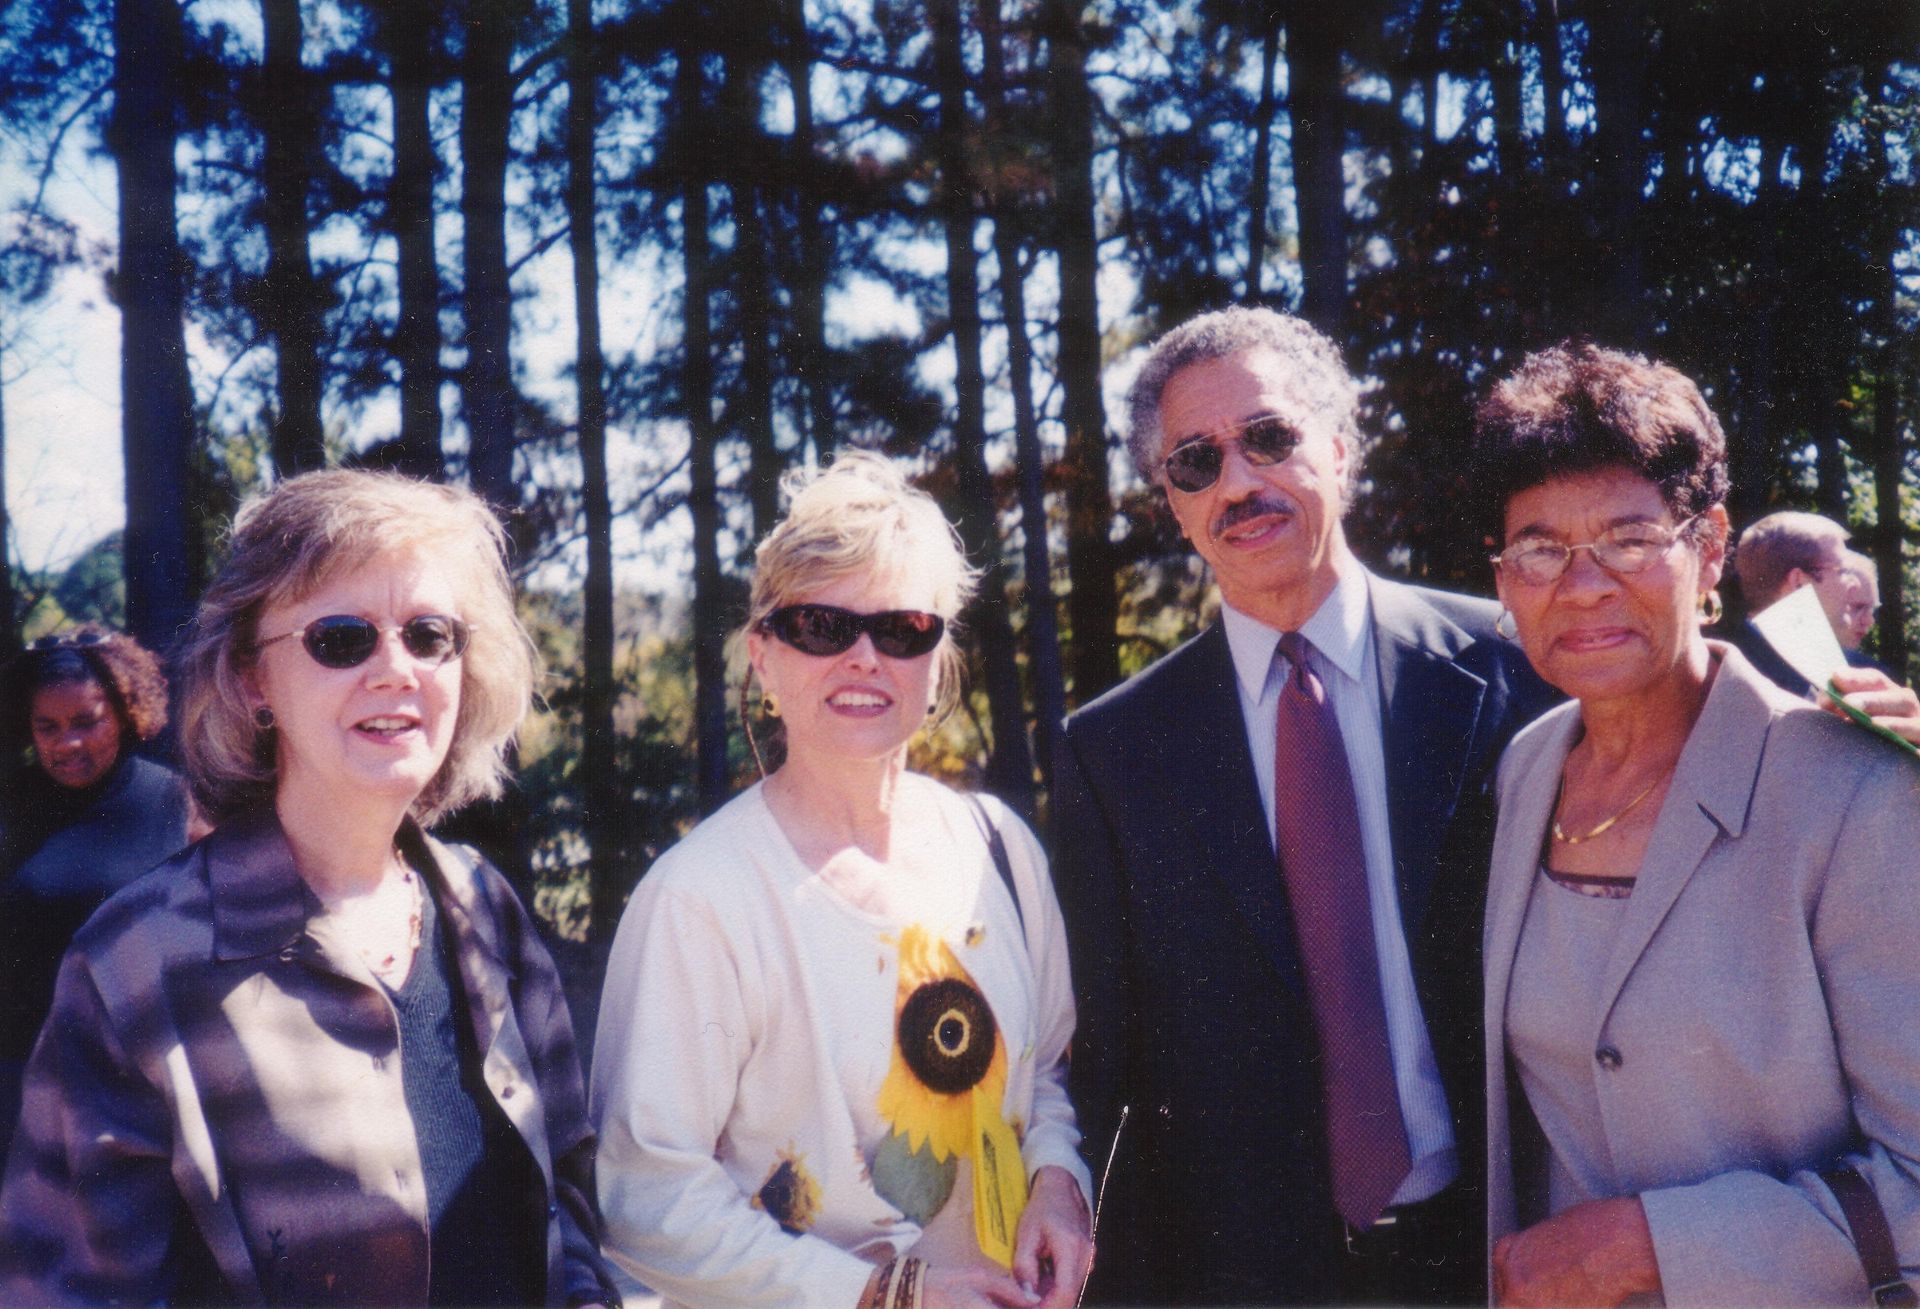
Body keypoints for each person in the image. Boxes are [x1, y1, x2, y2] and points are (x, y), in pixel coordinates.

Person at [0, 471, 618, 1308]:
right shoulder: (135, 966)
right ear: (254, 679)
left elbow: (567, 1213)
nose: (395, 668)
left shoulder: (486, 910)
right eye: (341, 637)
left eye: (430, 634)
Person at [1051, 305, 1557, 1305]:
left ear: (1337, 442)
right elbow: (1101, 1056)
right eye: (1196, 463)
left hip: (1504, 1251)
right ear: (1172, 501)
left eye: (1268, 437)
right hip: (1246, 1277)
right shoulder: (1113, 751)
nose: (1239, 482)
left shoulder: (1511, 663)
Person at [592, 452, 1093, 1309]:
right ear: (763, 654)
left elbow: (1045, 1075)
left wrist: (1057, 1177)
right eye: (823, 626)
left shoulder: (1000, 850)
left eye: (902, 628)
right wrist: (883, 1296)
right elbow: (644, 1199)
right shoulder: (701, 898)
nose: (865, 657)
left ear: (938, 659)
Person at [1476, 342, 1920, 1305]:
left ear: (1710, 546)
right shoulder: (1527, 769)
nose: (1583, 585)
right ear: (1505, 578)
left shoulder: (1855, 790)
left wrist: (1648, 1245)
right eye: (1542, 548)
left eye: (1631, 538)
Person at [0, 626, 193, 1152]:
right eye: (48, 727)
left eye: (87, 722)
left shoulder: (179, 804)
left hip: (142, 1082)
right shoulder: (11, 807)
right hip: (17, 1083)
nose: (68, 744)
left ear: (126, 711)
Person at [1718, 512, 1920, 741]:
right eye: (1843, 570)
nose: (1852, 582)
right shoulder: (1734, 674)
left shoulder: (1718, 664)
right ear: (1799, 582)